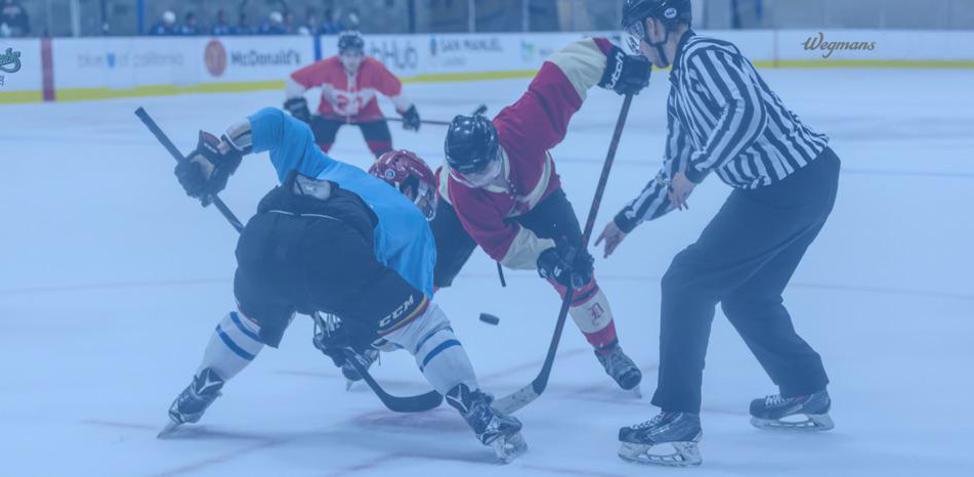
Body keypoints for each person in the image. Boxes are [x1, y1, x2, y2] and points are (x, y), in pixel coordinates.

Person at [161, 108, 527, 462]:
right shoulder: (414, 223)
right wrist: (358, 339)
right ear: (413, 189)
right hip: (336, 251)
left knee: (250, 320)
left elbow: (279, 124)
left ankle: (201, 387)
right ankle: (478, 410)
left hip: (265, 237)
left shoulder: (322, 165)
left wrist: (222, 150)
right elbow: (401, 323)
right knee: (424, 325)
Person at [599, 0, 839, 467]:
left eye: (637, 33)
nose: (637, 46)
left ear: (656, 25)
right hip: (797, 185)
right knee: (748, 297)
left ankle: (678, 416)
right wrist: (627, 219)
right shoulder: (679, 90)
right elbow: (673, 174)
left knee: (686, 280)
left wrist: (697, 169)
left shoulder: (705, 54)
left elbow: (745, 112)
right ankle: (805, 389)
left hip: (787, 185)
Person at [433, 37, 651, 392]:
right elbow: (503, 245)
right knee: (429, 269)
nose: (480, 179)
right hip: (460, 214)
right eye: (469, 174)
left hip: (539, 196)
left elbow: (566, 68)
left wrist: (614, 65)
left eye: (483, 169)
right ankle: (380, 332)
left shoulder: (523, 126)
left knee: (577, 272)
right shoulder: (462, 191)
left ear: (495, 148)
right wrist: (545, 259)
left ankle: (609, 350)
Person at [284, 31, 421, 158]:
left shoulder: (374, 68)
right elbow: (295, 80)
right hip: (329, 113)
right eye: (348, 55)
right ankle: (305, 173)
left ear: (362, 55)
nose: (352, 60)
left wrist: (408, 110)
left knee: (385, 152)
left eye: (356, 55)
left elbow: (394, 89)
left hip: (368, 113)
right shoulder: (328, 67)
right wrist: (297, 105)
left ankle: (388, 173)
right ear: (340, 56)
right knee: (312, 150)